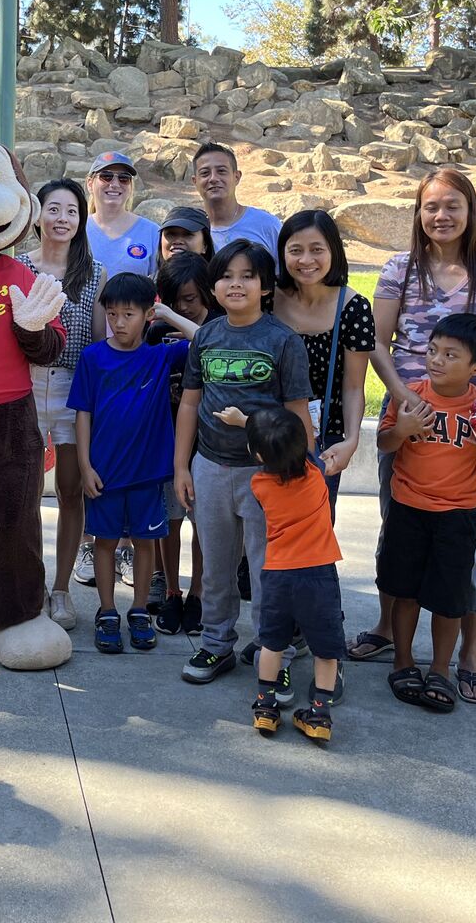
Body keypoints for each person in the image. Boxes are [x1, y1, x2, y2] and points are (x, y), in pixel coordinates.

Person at [351, 168, 476, 712]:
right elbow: (377, 340)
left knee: (469, 544)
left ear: (471, 211)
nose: (441, 216)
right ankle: (388, 629)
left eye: (453, 205)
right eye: (431, 207)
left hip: (473, 425)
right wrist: (403, 397)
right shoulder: (400, 268)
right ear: (418, 213)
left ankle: (467, 655)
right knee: (399, 527)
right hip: (410, 421)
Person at [174, 240, 313, 693]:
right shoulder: (208, 337)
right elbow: (190, 404)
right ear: (213, 286)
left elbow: (297, 414)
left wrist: (298, 473)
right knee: (215, 566)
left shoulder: (282, 341)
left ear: (266, 286)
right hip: (210, 468)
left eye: (248, 276)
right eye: (227, 276)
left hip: (267, 476)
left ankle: (278, 651)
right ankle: (216, 641)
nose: (236, 284)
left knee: (267, 568)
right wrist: (182, 467)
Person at [377, 313, 476, 714]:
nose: (436, 360)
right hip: (407, 509)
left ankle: (440, 669)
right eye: (433, 350)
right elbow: (386, 443)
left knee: (449, 599)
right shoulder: (408, 396)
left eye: (450, 355)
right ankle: (403, 661)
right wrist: (402, 429)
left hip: (459, 515)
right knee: (403, 591)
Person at [69, 272, 194, 655]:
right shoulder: (93, 358)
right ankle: (107, 612)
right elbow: (83, 415)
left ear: (146, 315)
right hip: (103, 475)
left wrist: (168, 314)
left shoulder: (159, 357)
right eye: (112, 314)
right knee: (104, 543)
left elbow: (206, 339)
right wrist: (85, 466)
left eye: (129, 314)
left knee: (144, 544)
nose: (119, 322)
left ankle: (139, 610)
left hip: (147, 477)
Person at [18, 179, 105, 631]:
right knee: (26, 491)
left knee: (71, 492)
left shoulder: (94, 272)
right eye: (54, 209)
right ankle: (29, 586)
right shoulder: (16, 267)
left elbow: (96, 343)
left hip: (73, 389)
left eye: (71, 211)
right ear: (38, 216)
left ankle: (62, 590)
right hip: (26, 386)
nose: (62, 219)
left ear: (81, 219)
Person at [245, 409, 344, 746]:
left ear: (259, 456)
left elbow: (272, 453)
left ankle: (265, 707)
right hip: (318, 575)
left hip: (278, 575)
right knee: (325, 649)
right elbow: (314, 459)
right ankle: (319, 713)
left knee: (273, 642)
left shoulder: (259, 485)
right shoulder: (317, 475)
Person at [272, 209, 375, 510]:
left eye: (317, 249)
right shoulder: (265, 298)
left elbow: (354, 386)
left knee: (312, 537)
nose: (306, 260)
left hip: (322, 441)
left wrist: (351, 441)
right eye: (295, 250)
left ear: (334, 252)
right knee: (259, 541)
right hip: (264, 431)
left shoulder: (352, 308)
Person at [150, 252, 216, 636]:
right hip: (167, 442)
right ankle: (172, 590)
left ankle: (199, 593)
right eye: (174, 301)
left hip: (209, 447)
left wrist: (176, 320)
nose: (183, 307)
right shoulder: (157, 331)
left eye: (191, 299)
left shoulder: (220, 327)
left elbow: (210, 345)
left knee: (203, 524)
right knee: (169, 521)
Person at [190, 143, 281, 256]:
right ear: (195, 181)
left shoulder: (267, 225)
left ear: (236, 177)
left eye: (221, 171)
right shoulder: (191, 232)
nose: (213, 178)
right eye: (205, 173)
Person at [84, 151, 159, 278]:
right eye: (106, 176)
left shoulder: (152, 232)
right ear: (90, 184)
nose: (114, 184)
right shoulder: (77, 229)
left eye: (124, 178)